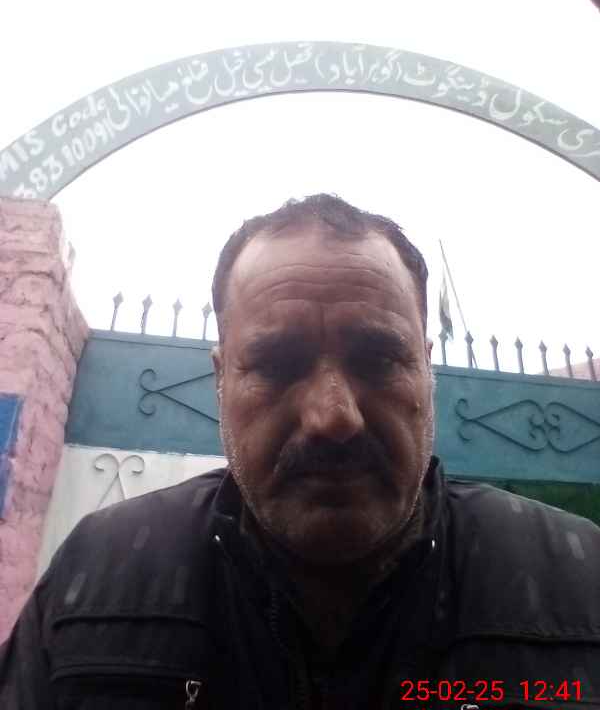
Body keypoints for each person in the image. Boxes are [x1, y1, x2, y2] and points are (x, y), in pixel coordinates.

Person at [1, 194, 600, 709]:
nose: (333, 418)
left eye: (379, 360)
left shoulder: (579, 583)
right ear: (221, 380)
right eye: (276, 364)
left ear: (427, 371)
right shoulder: (96, 577)